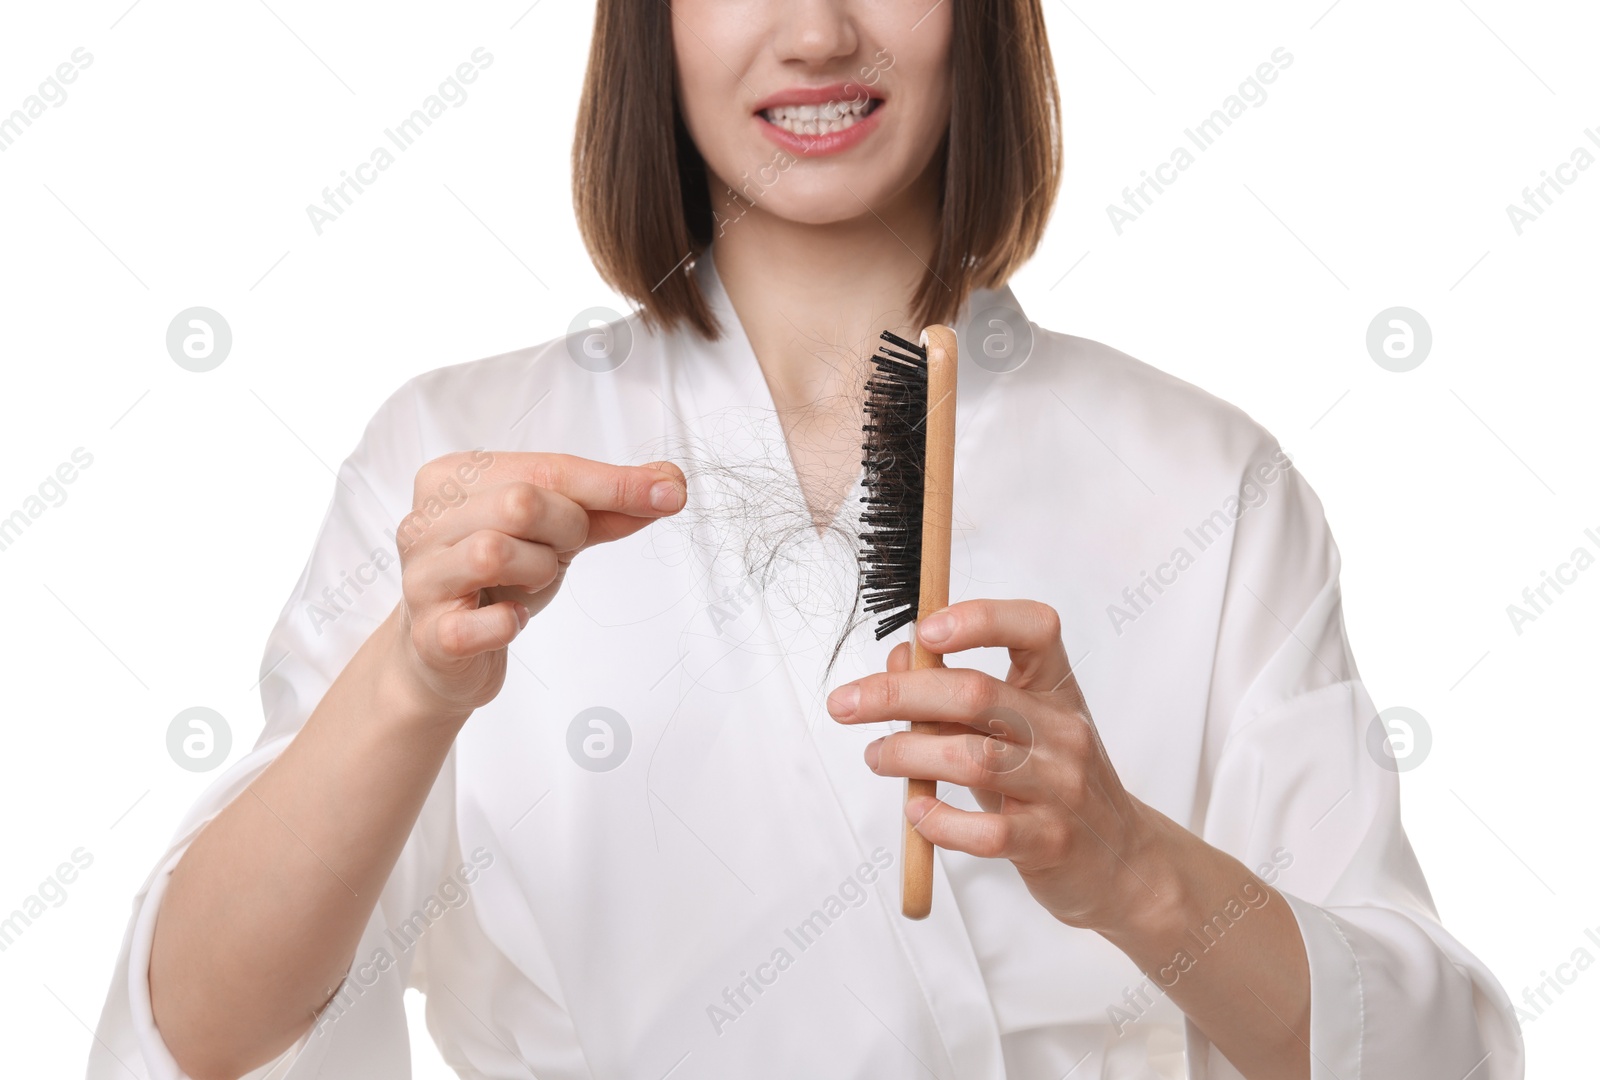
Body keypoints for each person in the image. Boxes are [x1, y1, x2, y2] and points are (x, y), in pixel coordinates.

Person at [90, 0, 1523, 1076]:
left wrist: (1132, 872)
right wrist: (411, 685)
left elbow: (1430, 1053)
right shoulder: (454, 460)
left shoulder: (1209, 487)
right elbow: (198, 1034)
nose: (821, 32)